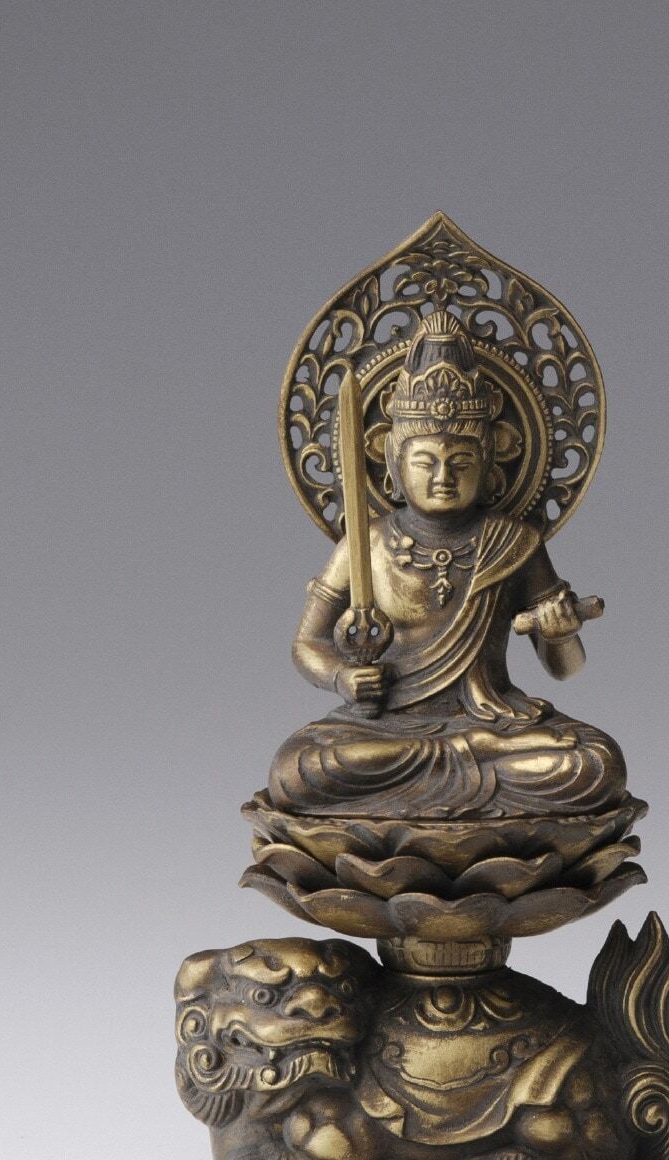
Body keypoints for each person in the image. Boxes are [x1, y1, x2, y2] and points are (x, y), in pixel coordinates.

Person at [268, 311, 628, 820]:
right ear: (393, 464)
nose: (443, 477)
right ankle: (468, 758)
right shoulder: (365, 543)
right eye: (425, 462)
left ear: (490, 466)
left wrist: (560, 634)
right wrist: (342, 679)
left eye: (461, 462)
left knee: (594, 764)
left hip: (496, 721)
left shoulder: (513, 541)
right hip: (385, 730)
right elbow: (307, 644)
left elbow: (564, 669)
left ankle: (472, 754)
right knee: (299, 770)